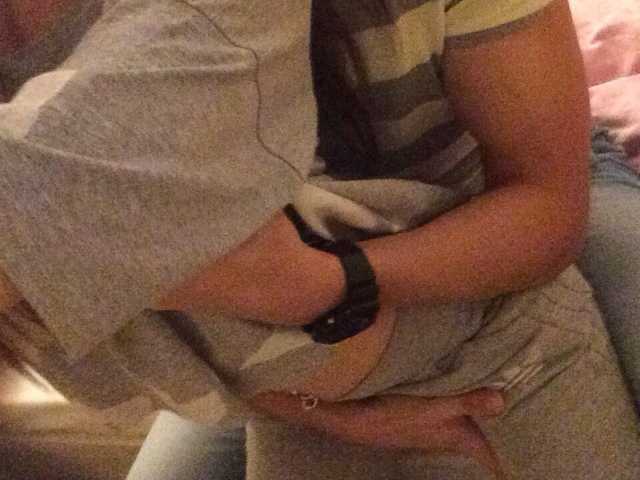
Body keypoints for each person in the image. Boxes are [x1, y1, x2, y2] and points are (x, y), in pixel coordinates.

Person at [0, 1, 638, 479]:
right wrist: (318, 410)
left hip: (513, 190)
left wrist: (330, 284)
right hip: (310, 320)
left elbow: (548, 205)